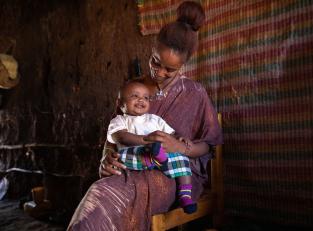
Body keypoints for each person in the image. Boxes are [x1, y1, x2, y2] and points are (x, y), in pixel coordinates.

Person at [68, 1, 223, 230]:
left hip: (175, 176)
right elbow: (114, 134)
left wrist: (179, 147)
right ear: (152, 50)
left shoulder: (195, 94)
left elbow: (208, 146)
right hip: (131, 165)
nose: (159, 73)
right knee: (100, 190)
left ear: (183, 66)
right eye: (155, 62)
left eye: (169, 70)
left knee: (124, 192)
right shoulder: (133, 90)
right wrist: (105, 158)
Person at [107, 80, 197, 214]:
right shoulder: (119, 120)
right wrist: (145, 141)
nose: (141, 100)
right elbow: (121, 137)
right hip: (137, 157)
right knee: (123, 155)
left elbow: (171, 133)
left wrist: (179, 137)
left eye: (145, 97)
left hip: (161, 156)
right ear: (120, 104)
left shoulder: (155, 119)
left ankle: (185, 195)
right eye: (134, 96)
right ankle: (154, 157)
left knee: (182, 159)